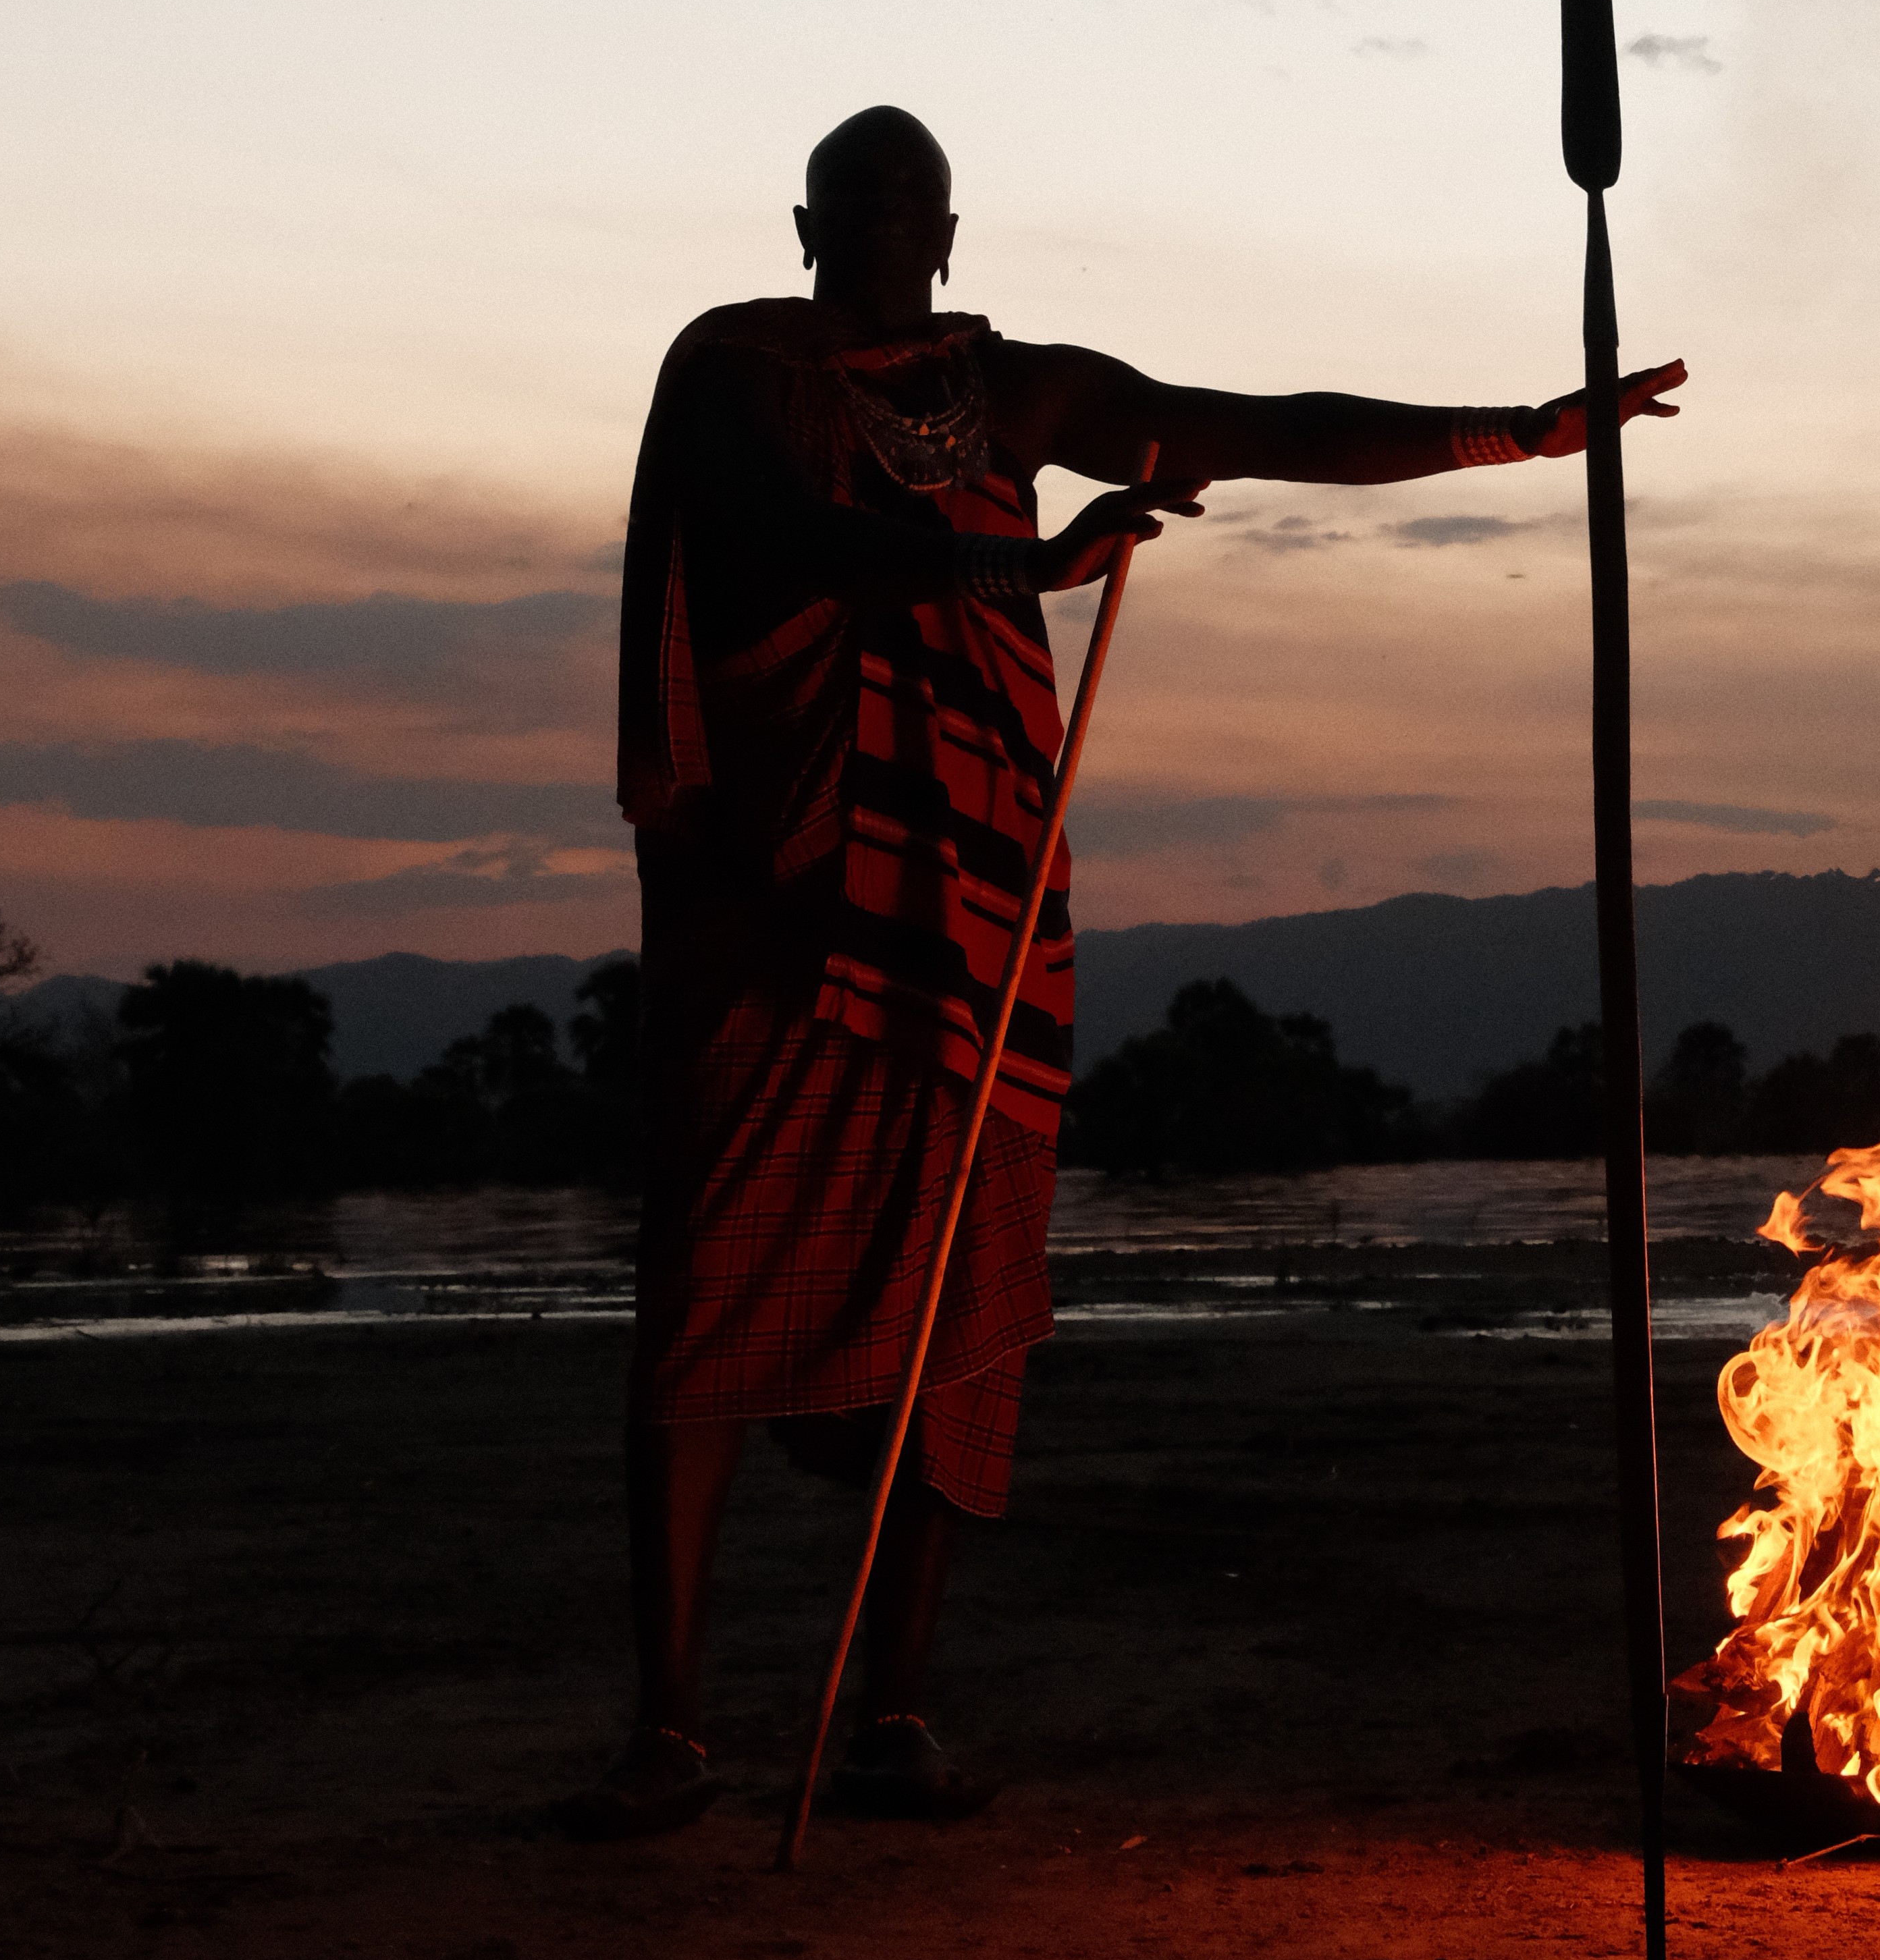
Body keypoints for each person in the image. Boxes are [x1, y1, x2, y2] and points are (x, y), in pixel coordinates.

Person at [568, 103, 1684, 1836]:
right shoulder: (735, 366)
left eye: (906, 214)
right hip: (775, 898)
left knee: (965, 1297)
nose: (875, 240)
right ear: (798, 229)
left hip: (981, 895)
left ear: (950, 234)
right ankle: (668, 1731)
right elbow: (783, 540)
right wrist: (1016, 558)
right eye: (846, 212)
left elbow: (1254, 426)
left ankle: (899, 1714)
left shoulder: (1017, 393)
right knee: (707, 1288)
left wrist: (1523, 433)